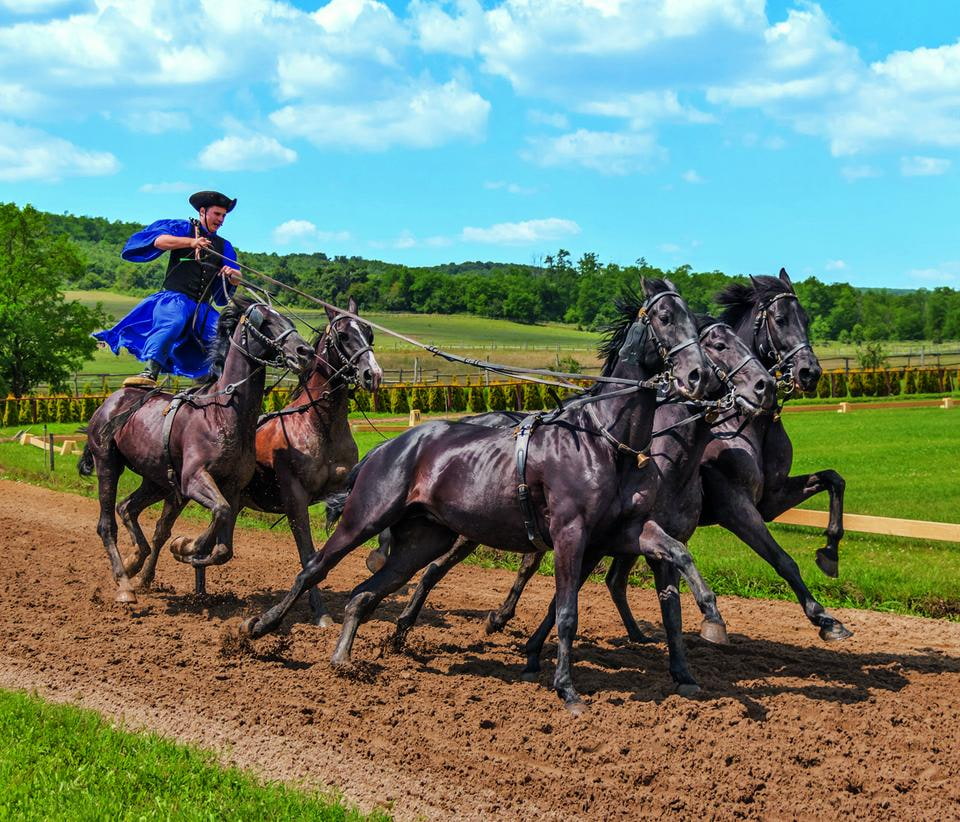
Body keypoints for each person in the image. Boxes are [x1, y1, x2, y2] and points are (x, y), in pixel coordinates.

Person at [94, 190, 242, 388]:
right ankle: (149, 372)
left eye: (224, 216)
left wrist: (232, 276)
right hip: (175, 299)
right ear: (203, 211)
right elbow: (159, 241)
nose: (221, 219)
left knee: (225, 336)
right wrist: (191, 242)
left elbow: (237, 275)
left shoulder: (224, 246)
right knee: (173, 322)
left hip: (203, 307)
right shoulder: (182, 228)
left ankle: (214, 381)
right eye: (217, 214)